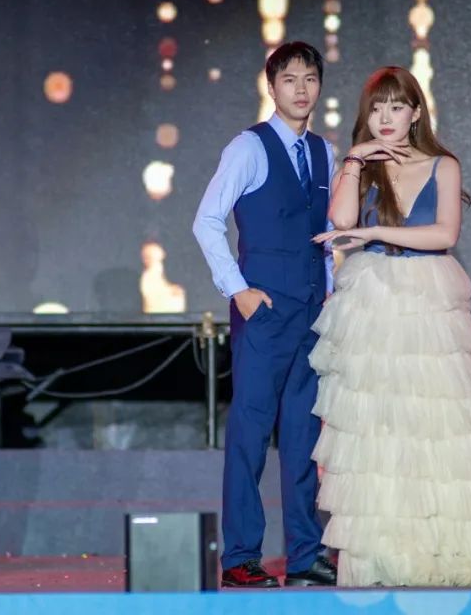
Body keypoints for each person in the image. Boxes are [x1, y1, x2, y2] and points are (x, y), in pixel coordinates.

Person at [309, 66, 471, 586]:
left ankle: (454, 550)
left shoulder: (443, 165)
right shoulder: (362, 165)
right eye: (377, 108)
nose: (386, 117)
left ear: (416, 112)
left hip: (426, 296)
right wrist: (354, 160)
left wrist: (375, 232)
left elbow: (444, 234)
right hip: (372, 298)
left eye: (397, 106)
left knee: (439, 426)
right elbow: (342, 220)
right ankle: (387, 553)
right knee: (380, 427)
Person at [193, 41, 338, 588]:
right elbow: (206, 221)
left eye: (309, 79)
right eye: (289, 80)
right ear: (271, 86)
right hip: (264, 313)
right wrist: (239, 292)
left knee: (304, 437)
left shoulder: (325, 153)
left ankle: (305, 555)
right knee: (250, 436)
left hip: (311, 314)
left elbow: (327, 238)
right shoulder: (248, 147)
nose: (301, 89)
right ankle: (240, 557)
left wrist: (331, 293)